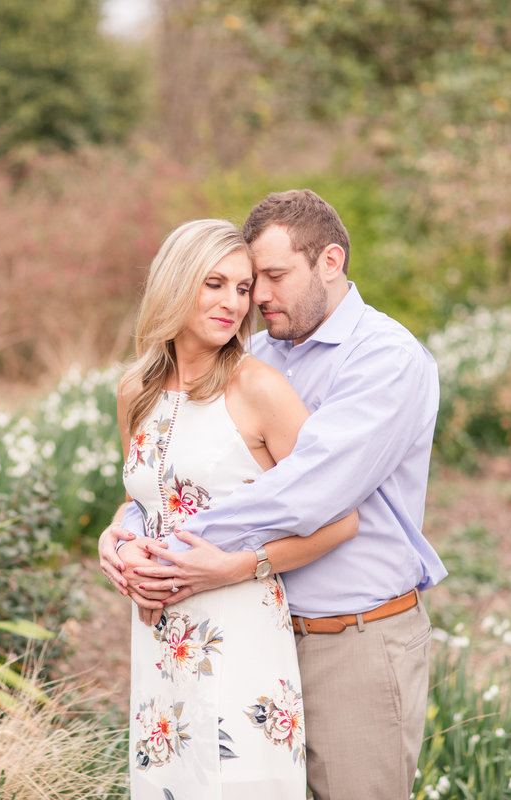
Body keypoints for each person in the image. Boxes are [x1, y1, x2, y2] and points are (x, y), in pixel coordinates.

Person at [101, 190, 446, 800]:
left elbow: (311, 495)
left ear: (331, 262)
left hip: (352, 641)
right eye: (244, 281)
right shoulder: (251, 354)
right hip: (250, 631)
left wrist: (169, 556)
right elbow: (176, 481)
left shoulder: (385, 360)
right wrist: (124, 532)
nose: (254, 298)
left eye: (271, 278)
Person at [115, 218, 360, 799]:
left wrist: (238, 566)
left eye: (244, 288)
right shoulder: (134, 391)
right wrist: (119, 543)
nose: (233, 303)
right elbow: (139, 499)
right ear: (176, 283)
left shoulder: (260, 389)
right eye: (214, 284)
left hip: (240, 629)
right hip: (157, 639)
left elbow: (340, 519)